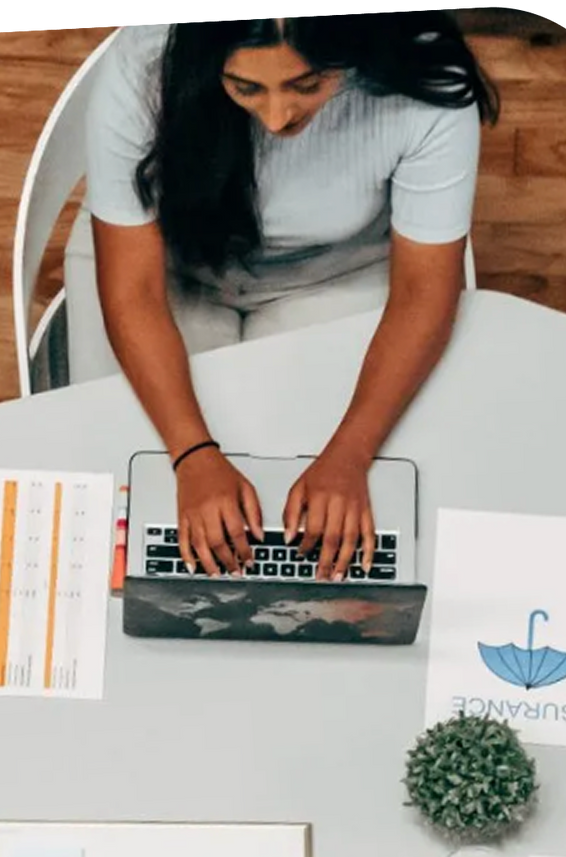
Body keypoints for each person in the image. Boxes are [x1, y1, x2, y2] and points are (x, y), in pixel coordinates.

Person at [67, 15, 499, 581]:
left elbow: (423, 291)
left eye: (308, 84)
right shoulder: (144, 62)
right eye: (246, 87)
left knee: (344, 502)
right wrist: (192, 453)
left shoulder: (426, 85)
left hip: (333, 271)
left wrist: (349, 454)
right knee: (122, 506)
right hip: (170, 268)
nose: (276, 118)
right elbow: (133, 288)